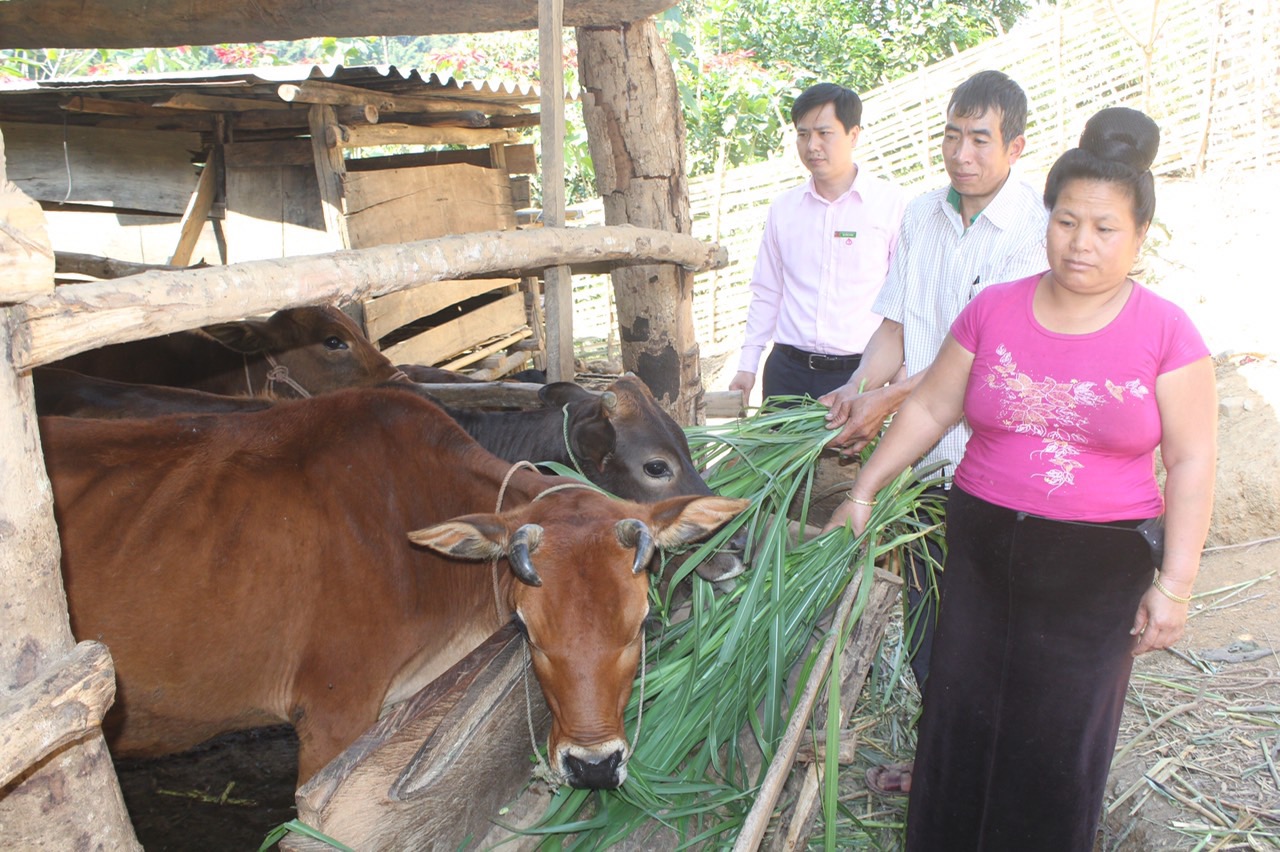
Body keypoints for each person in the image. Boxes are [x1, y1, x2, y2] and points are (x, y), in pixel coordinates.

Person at [829, 106, 1216, 850]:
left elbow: (1193, 460)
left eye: (1105, 228)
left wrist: (1176, 583)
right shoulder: (995, 309)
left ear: (1139, 236)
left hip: (1097, 565)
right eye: (1067, 221)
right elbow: (934, 406)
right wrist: (865, 489)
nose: (1082, 243)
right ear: (1047, 220)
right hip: (980, 547)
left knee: (1060, 732)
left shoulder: (1167, 333)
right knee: (959, 710)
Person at [820, 71, 1049, 796]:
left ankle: (991, 771)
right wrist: (856, 388)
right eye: (952, 133)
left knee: (990, 635)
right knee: (926, 627)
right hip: (918, 472)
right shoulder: (920, 215)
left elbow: (975, 357)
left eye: (980, 138)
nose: (961, 152)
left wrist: (887, 399)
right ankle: (941, 762)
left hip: (992, 472)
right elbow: (896, 326)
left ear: (1015, 144)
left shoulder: (1036, 230)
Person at [729, 83, 907, 406]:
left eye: (825, 133)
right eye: (803, 135)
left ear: (853, 135)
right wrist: (747, 366)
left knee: (862, 459)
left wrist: (899, 370)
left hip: (859, 376)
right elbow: (767, 291)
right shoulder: (783, 210)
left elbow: (903, 302)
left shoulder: (890, 205)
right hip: (787, 373)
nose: (812, 146)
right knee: (779, 458)